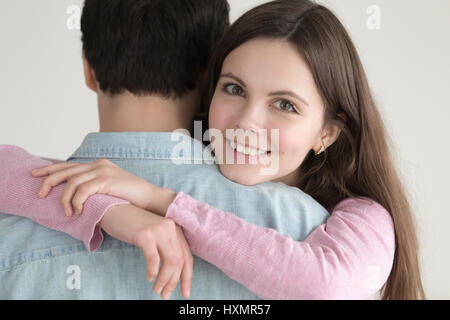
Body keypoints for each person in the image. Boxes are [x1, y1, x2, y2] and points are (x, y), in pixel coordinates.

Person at [28, 0, 427, 299]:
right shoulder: (187, 158)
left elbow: (325, 285)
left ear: (327, 132)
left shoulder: (360, 219)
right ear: (208, 85)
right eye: (234, 89)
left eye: (284, 104)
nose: (245, 123)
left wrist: (161, 200)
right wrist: (113, 210)